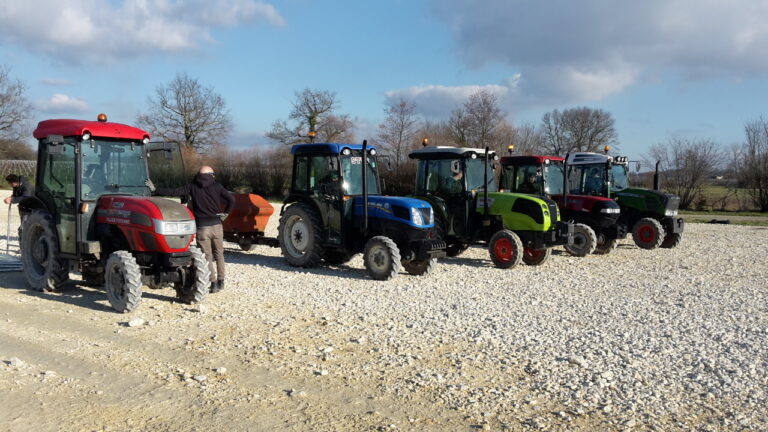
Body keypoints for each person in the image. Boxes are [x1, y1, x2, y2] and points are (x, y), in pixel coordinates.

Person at [147, 166, 235, 293]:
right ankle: (221, 281)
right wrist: (226, 214)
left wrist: (155, 190)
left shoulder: (192, 187)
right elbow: (231, 199)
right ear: (210, 174)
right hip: (217, 225)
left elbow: (174, 192)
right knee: (219, 254)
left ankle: (213, 283)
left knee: (207, 256)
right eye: (213, 174)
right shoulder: (217, 186)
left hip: (202, 227)